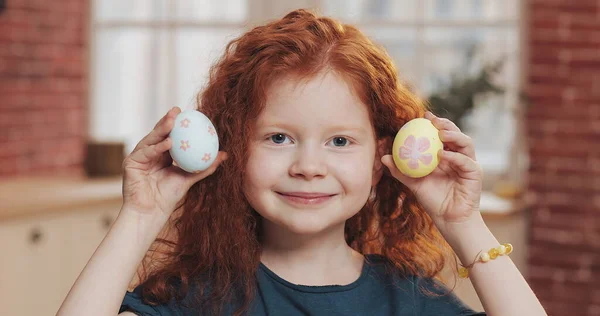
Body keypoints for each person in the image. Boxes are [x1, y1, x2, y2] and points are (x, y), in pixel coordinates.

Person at [57, 9, 547, 316]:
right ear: (233, 150)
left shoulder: (409, 301)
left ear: (381, 161)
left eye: (339, 141)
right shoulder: (201, 299)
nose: (308, 166)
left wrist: (464, 224)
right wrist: (140, 217)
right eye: (278, 137)